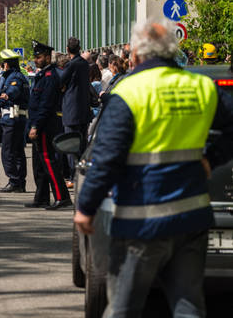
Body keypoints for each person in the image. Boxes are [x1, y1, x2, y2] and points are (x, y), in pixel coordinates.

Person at [74, 22, 233, 318]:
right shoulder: (199, 87)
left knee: (123, 308)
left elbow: (108, 157)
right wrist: (212, 157)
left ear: (134, 54)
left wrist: (86, 206)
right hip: (192, 217)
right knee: (188, 307)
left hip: (142, 221)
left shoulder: (129, 92)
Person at [24, 41, 72, 209]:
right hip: (40, 123)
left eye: (38, 57)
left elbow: (46, 105)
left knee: (49, 162)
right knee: (40, 165)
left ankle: (62, 197)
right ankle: (41, 197)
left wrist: (36, 126)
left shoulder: (51, 77)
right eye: (35, 57)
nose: (35, 60)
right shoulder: (42, 76)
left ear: (47, 57)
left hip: (46, 125)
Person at [0, 49, 30, 193]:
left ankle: (14, 181)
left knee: (8, 152)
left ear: (7, 64)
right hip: (15, 118)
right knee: (17, 151)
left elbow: (12, 94)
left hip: (12, 118)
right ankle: (19, 182)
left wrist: (5, 96)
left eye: (3, 63)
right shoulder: (16, 75)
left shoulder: (14, 77)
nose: (3, 66)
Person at [60, 37, 91, 179]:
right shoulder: (85, 64)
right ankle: (82, 175)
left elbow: (60, 82)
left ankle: (73, 176)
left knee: (71, 145)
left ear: (67, 49)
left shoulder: (71, 65)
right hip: (84, 110)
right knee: (82, 145)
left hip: (71, 111)